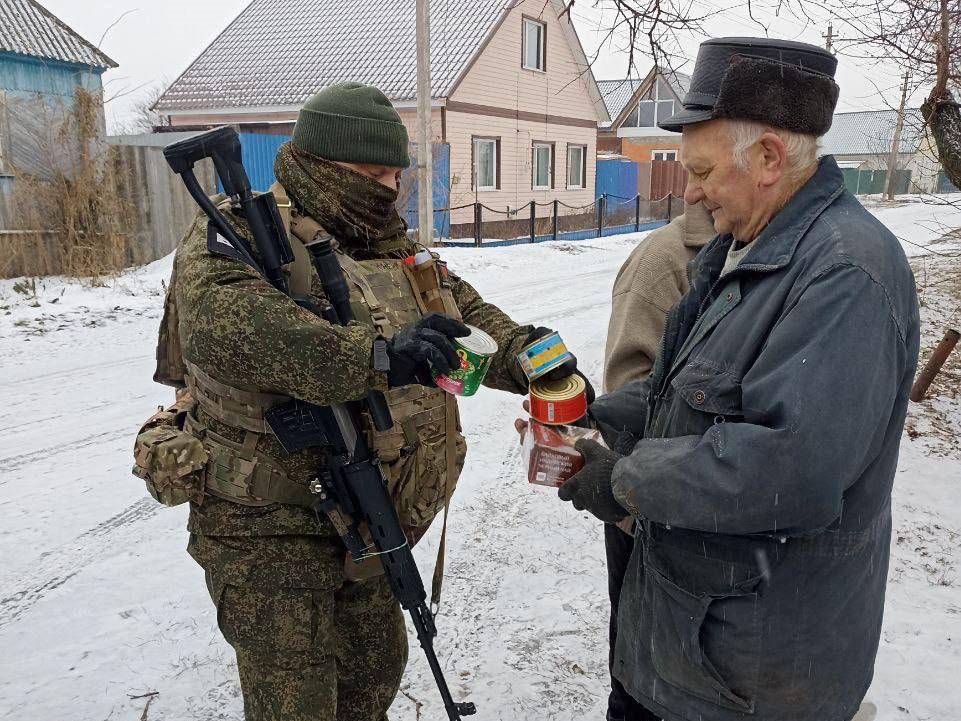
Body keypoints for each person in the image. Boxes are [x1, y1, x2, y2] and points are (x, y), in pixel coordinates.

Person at [144, 82, 588, 721]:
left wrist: (538, 364)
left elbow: (464, 317)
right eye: (370, 171)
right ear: (321, 166)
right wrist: (378, 355)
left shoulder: (389, 244)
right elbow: (232, 329)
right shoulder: (236, 230)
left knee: (373, 673)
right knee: (295, 702)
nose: (386, 186)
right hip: (267, 519)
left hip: (367, 508)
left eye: (394, 172)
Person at [557, 38, 920, 721]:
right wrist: (598, 419)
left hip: (750, 678)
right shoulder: (745, 245)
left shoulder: (845, 272)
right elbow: (686, 396)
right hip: (694, 649)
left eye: (699, 170)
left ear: (767, 159)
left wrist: (623, 480)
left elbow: (791, 468)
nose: (687, 190)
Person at [602, 201, 715, 721]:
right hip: (647, 509)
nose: (696, 187)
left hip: (719, 515)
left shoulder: (774, 250)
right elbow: (632, 390)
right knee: (642, 676)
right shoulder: (665, 261)